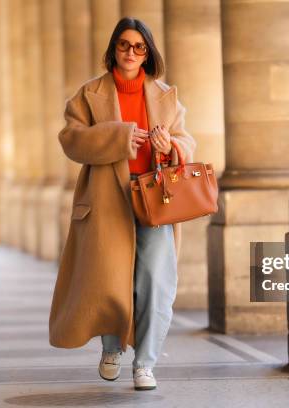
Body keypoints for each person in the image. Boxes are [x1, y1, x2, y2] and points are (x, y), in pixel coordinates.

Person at [48, 17, 195, 391]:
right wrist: (118, 138)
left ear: (148, 53)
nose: (131, 53)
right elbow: (71, 140)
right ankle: (112, 347)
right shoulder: (89, 93)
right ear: (113, 48)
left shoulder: (166, 95)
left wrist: (171, 147)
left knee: (155, 281)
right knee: (110, 280)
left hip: (154, 198)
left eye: (139, 47)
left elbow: (187, 143)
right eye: (124, 45)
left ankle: (145, 363)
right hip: (106, 197)